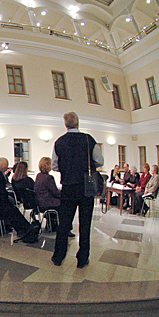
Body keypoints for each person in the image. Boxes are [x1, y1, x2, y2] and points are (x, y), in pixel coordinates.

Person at [51, 111, 103, 268]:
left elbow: (54, 165)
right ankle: (82, 259)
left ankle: (58, 257)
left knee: (64, 224)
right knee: (85, 224)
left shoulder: (59, 142)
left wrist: (68, 169)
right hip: (86, 188)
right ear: (78, 123)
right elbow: (99, 161)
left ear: (65, 124)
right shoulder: (88, 140)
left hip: (68, 187)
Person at [0, 157, 39, 243]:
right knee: (12, 210)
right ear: (4, 167)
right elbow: (1, 195)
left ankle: (23, 229)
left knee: (11, 209)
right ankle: (27, 229)